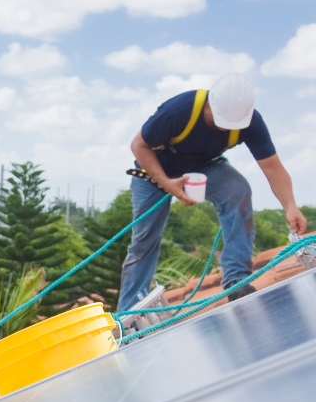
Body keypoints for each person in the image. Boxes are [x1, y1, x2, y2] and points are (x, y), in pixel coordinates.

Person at [117, 72, 307, 311]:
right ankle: (129, 312)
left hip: (203, 168)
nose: (223, 127)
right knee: (144, 241)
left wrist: (290, 206)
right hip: (153, 174)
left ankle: (237, 280)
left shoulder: (250, 122)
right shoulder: (179, 110)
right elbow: (139, 145)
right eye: (219, 120)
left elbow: (272, 168)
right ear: (210, 103)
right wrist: (168, 183)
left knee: (237, 190)